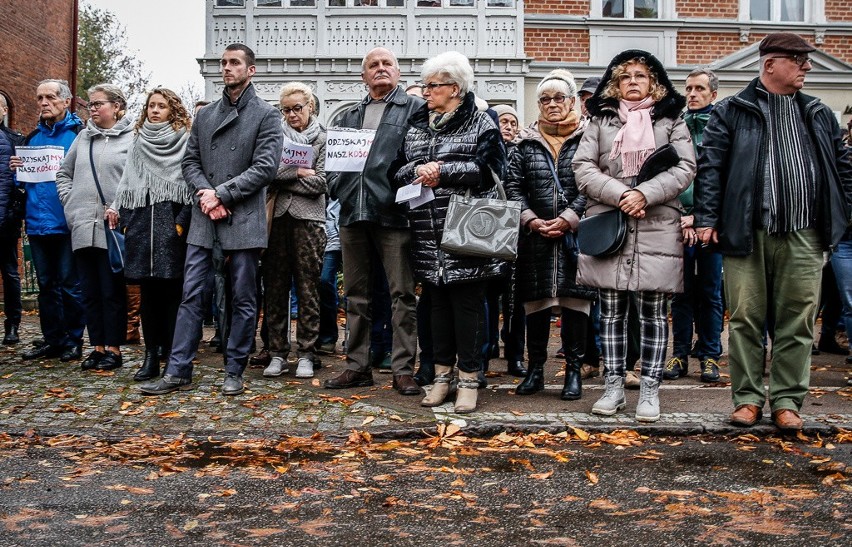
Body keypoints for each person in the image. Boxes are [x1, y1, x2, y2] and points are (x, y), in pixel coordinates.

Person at [694, 33, 852, 431]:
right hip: (746, 232)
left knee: (797, 321)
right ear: (770, 64)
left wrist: (843, 215)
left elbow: (843, 169)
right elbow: (710, 169)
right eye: (798, 59)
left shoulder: (818, 112)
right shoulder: (731, 111)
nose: (807, 66)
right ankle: (747, 398)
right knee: (746, 318)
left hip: (805, 234)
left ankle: (786, 401)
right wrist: (706, 219)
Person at [139, 43, 283, 396]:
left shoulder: (266, 114)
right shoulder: (205, 115)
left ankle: (235, 368)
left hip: (243, 216)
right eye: (223, 63)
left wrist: (222, 194)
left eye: (235, 63)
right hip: (205, 218)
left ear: (251, 70)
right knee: (191, 295)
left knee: (244, 298)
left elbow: (265, 167)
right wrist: (207, 194)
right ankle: (178, 370)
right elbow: (190, 163)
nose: (227, 68)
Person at [573, 49, 696, 422]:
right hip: (610, 222)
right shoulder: (599, 120)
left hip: (657, 223)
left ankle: (649, 390)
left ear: (654, 82)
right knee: (610, 312)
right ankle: (612, 388)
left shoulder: (672, 119)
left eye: (640, 75)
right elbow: (582, 167)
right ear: (615, 82)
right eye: (625, 76)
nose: (632, 81)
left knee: (654, 313)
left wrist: (645, 193)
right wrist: (622, 194)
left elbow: (687, 166)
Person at [391, 50, 507, 413]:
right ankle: (442, 378)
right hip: (426, 229)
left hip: (468, 229)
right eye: (425, 86)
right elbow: (395, 172)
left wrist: (443, 171)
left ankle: (470, 379)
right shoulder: (416, 124)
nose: (426, 92)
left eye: (433, 86)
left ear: (455, 88)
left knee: (468, 307)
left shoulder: (481, 122)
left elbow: (491, 170)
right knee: (436, 306)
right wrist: (416, 172)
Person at [323, 47, 423, 396]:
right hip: (353, 214)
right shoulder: (348, 116)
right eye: (373, 66)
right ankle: (357, 366)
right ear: (363, 76)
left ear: (398, 72)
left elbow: (421, 154)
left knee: (401, 294)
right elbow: (332, 166)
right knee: (355, 295)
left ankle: (403, 369)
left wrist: (401, 189)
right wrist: (340, 188)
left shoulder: (415, 110)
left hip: (394, 214)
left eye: (387, 64)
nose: (380, 69)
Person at [505, 69, 597, 400]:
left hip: (576, 236)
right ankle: (535, 372)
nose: (552, 104)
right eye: (545, 99)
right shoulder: (525, 142)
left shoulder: (590, 138)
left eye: (560, 98)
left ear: (573, 101)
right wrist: (530, 219)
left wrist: (570, 217)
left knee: (576, 305)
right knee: (537, 305)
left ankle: (574, 372)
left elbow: (593, 183)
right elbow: (512, 185)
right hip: (535, 236)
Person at [105, 88, 193, 381]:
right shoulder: (138, 141)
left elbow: (192, 186)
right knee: (148, 299)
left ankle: (172, 355)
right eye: (151, 106)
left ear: (173, 110)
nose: (155, 110)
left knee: (173, 296)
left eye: (162, 106)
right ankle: (151, 355)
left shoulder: (185, 141)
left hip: (172, 231)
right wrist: (128, 223)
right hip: (141, 229)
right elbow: (127, 186)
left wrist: (180, 223)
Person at [56, 84, 134, 371]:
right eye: (90, 104)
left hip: (112, 228)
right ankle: (97, 347)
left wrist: (119, 207)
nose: (93, 109)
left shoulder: (132, 139)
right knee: (88, 290)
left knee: (111, 291)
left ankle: (114, 349)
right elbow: (63, 173)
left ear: (116, 107)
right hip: (81, 225)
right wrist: (71, 203)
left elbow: (134, 181)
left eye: (99, 103)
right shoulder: (82, 138)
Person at [10, 80, 86, 362]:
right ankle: (52, 339)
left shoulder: (79, 134)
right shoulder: (31, 139)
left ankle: (74, 340)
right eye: (40, 97)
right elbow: (24, 183)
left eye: (50, 97)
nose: (44, 102)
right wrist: (17, 169)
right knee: (46, 285)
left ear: (66, 102)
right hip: (37, 223)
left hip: (66, 222)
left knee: (69, 284)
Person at [261, 82, 327, 380]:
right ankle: (276, 351)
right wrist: (299, 171)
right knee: (275, 288)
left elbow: (323, 183)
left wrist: (283, 176)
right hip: (276, 219)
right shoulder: (273, 138)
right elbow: (265, 173)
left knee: (308, 287)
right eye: (285, 110)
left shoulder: (323, 138)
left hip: (309, 221)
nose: (291, 115)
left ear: (310, 107)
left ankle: (307, 352)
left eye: (296, 108)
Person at [663, 68, 724, 383]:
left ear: (713, 94)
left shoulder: (722, 126)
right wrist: (681, 216)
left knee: (711, 292)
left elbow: (722, 180)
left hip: (712, 226)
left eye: (699, 89)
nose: (692, 94)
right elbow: (667, 177)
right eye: (688, 89)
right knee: (681, 293)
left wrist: (700, 219)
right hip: (678, 224)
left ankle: (710, 355)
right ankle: (679, 353)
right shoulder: (676, 126)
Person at [488, 103, 527, 379]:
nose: (509, 127)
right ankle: (488, 346)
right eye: (504, 122)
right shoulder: (488, 152)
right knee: (489, 295)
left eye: (513, 123)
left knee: (516, 300)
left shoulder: (523, 152)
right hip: (490, 233)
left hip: (518, 233)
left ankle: (515, 353)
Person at [0, 94, 24, 345]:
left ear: (4, 109)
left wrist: (13, 214)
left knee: (10, 273)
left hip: (6, 221)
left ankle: (12, 324)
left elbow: (22, 183)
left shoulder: (15, 139)